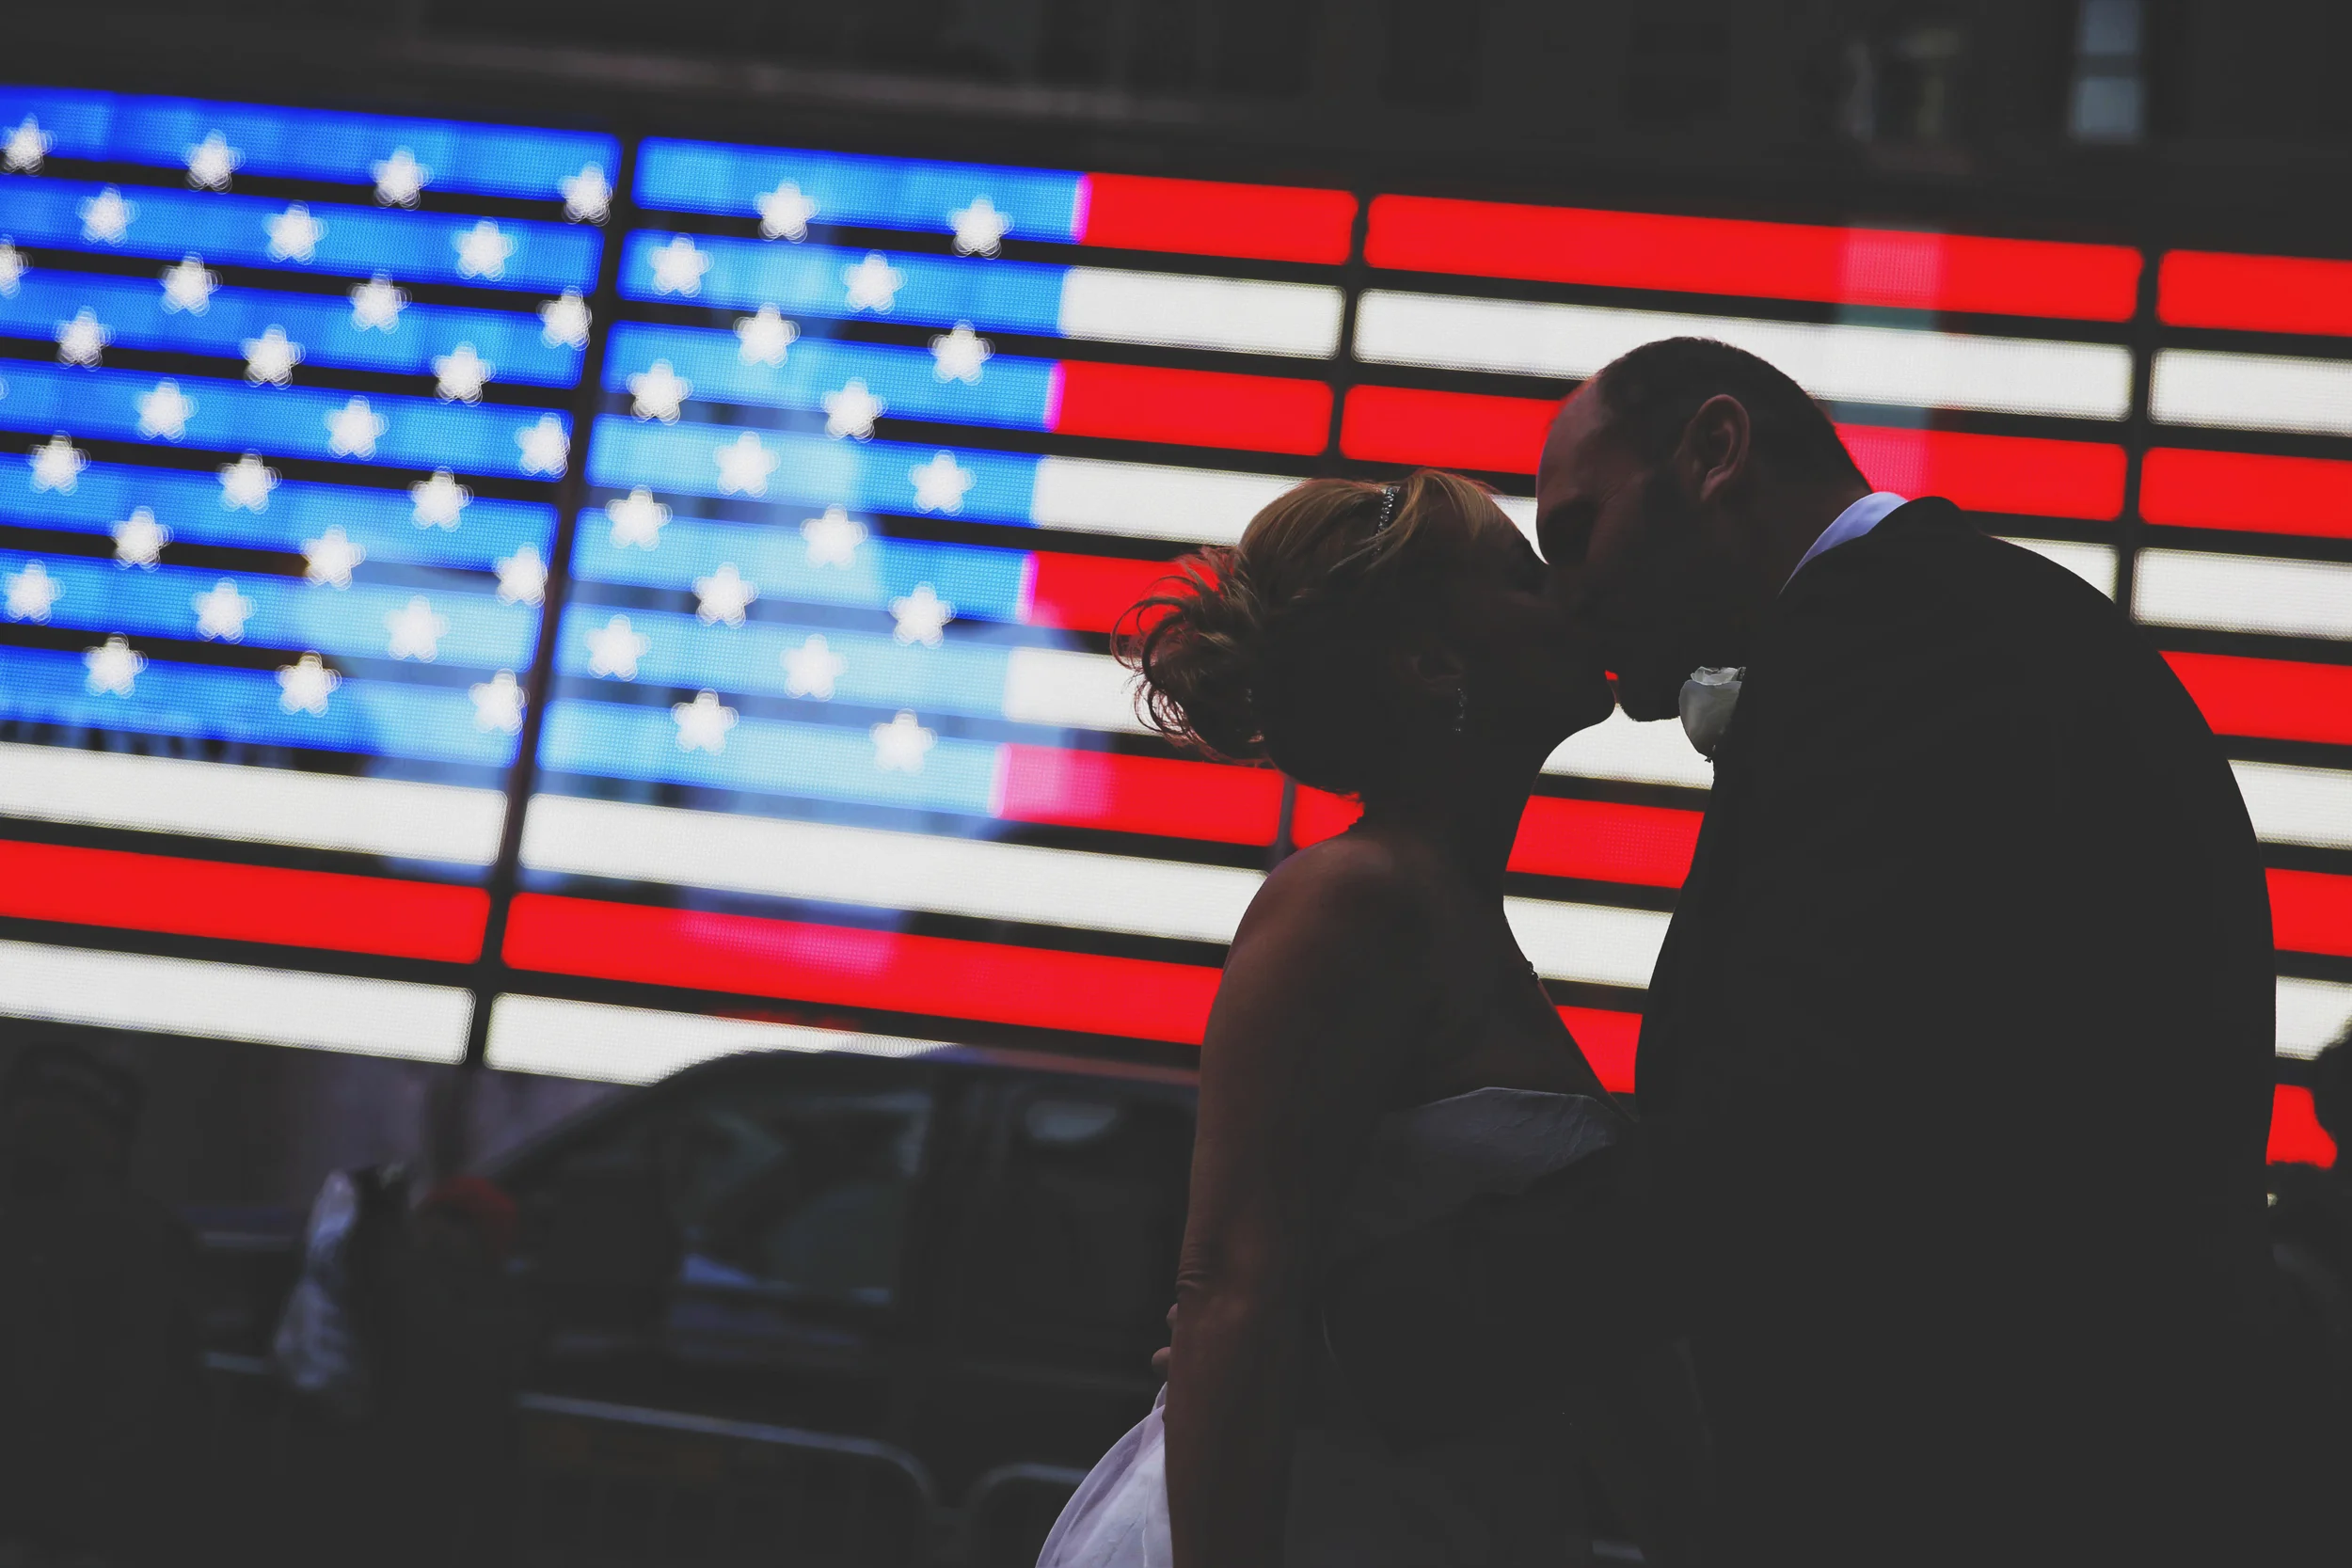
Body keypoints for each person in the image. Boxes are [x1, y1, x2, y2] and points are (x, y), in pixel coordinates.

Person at [1534, 337, 2279, 1563]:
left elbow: (1800, 1121)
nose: (1567, 595)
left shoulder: (1900, 643)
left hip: (1996, 1475)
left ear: (1716, 450)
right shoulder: (1951, 618)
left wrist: (1384, 1322)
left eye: (1576, 531)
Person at [1040, 471, 1708, 1568]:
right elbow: (1231, 1291)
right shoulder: (1350, 901)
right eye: (1521, 573)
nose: (1570, 589)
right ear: (1431, 663)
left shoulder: (1444, 909)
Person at [0, 1036, 201, 1566]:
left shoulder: (138, 1238)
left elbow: (137, 1393)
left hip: (67, 1520)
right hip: (74, 1517)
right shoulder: (145, 1233)